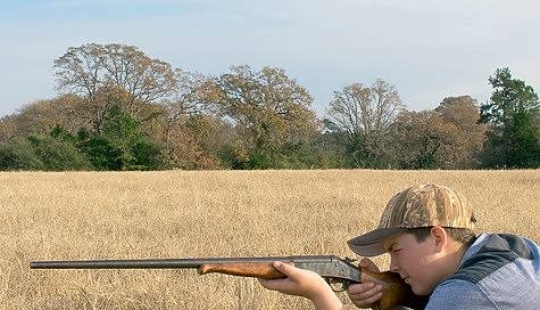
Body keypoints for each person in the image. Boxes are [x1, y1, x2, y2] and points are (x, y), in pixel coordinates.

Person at [259, 183, 540, 309]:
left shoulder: (467, 292)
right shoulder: (513, 247)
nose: (392, 266)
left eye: (395, 249)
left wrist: (320, 294)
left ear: (438, 238)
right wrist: (388, 298)